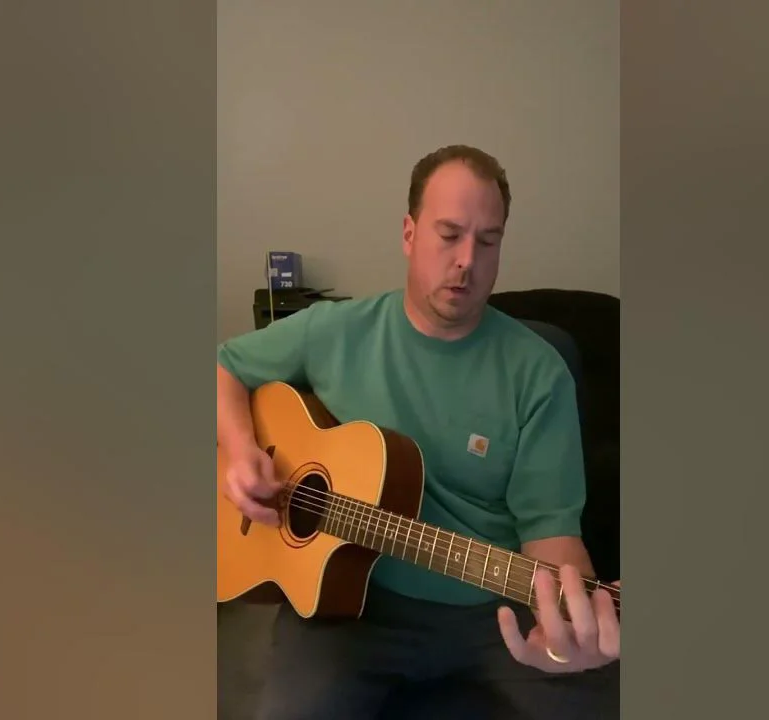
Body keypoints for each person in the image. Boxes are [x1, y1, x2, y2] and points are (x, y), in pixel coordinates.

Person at [217, 144, 620, 718]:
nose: (467, 260)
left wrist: (570, 633)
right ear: (409, 234)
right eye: (449, 234)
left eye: (488, 241)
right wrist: (240, 450)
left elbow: (551, 530)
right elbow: (224, 367)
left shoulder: (539, 371)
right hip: (351, 607)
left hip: (494, 611)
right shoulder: (333, 331)